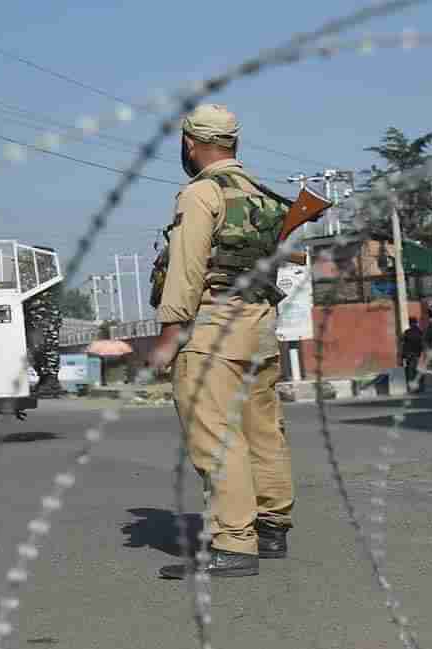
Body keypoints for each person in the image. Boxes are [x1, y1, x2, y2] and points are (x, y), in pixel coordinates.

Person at [146, 103, 295, 579]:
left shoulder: (201, 193)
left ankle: (234, 543)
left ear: (190, 143)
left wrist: (170, 335)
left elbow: (187, 269)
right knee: (262, 431)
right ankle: (271, 527)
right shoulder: (264, 195)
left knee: (215, 433)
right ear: (235, 142)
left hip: (213, 327)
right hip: (261, 325)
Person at [21, 245, 66, 399]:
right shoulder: (40, 272)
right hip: (37, 317)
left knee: (48, 348)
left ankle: (51, 381)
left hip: (45, 318)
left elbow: (28, 289)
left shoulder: (48, 273)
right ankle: (45, 379)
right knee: (37, 349)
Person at [400, 317, 424, 384]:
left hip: (409, 355)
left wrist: (402, 356)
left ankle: (412, 385)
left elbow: (403, 344)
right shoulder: (420, 332)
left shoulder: (407, 332)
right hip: (417, 354)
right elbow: (423, 344)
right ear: (416, 323)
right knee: (416, 369)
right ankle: (419, 386)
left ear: (410, 323)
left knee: (410, 370)